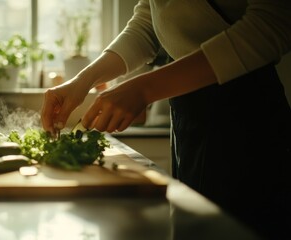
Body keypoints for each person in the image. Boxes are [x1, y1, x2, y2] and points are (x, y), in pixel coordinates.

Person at [41, 0, 291, 238]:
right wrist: (82, 81)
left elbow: (274, 22)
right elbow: (148, 24)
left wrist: (144, 89)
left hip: (247, 120)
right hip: (188, 111)